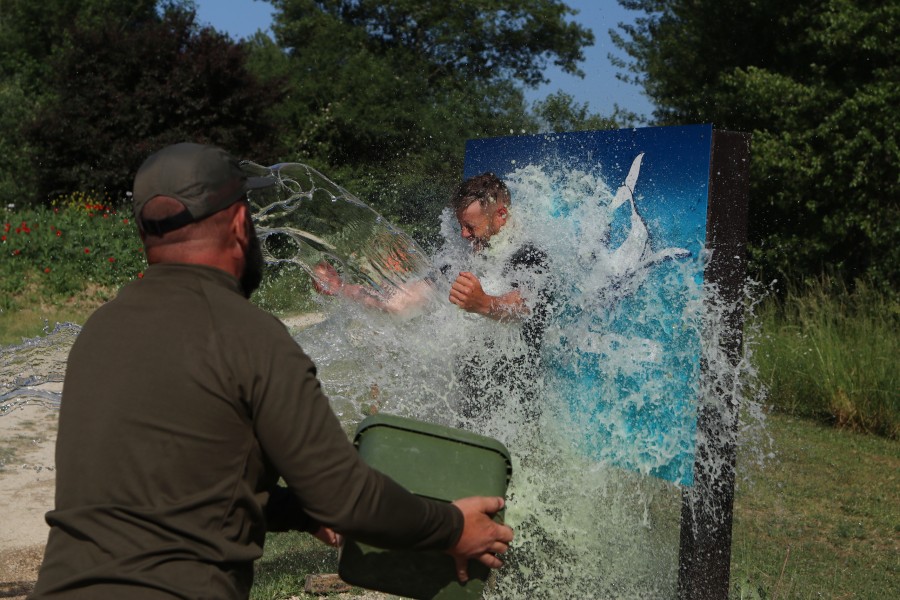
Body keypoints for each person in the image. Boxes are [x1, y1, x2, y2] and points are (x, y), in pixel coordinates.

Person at [31, 143, 513, 600]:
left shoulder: (100, 331)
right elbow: (345, 496)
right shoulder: (247, 335)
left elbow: (188, 490)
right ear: (242, 223)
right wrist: (453, 527)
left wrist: (303, 513)